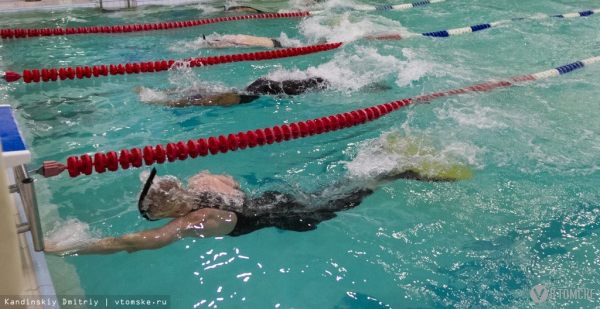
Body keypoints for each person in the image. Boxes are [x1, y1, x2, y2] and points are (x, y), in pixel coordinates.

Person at [43, 163, 465, 255]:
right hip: (276, 198)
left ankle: (400, 173)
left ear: (164, 209)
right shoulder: (206, 181)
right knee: (341, 185)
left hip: (291, 218)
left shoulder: (195, 219)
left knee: (353, 195)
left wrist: (70, 247)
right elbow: (235, 181)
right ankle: (388, 168)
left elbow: (135, 241)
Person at [138, 74, 329, 107]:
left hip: (257, 88)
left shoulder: (224, 97)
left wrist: (162, 101)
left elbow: (201, 99)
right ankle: (161, 96)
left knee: (205, 93)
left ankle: (162, 95)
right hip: (258, 88)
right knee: (205, 94)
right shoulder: (220, 96)